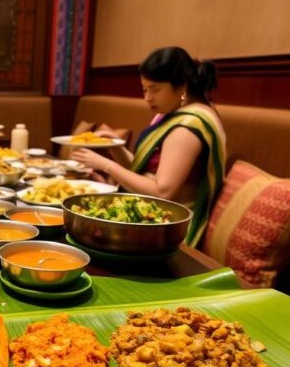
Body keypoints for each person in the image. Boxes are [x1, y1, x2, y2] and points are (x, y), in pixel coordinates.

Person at [71, 47, 226, 246]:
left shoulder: (187, 128)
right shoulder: (175, 113)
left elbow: (162, 192)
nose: (147, 97)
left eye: (155, 89)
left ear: (181, 86)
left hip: (167, 226)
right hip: (149, 213)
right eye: (145, 89)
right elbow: (141, 171)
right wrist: (115, 147)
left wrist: (106, 165)